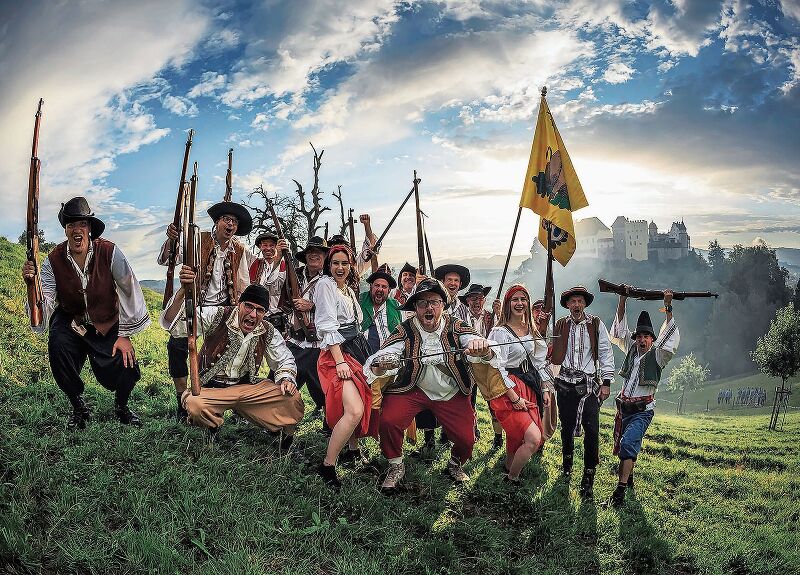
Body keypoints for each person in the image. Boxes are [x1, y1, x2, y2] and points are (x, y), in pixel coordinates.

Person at [22, 197, 151, 429]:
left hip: (107, 319)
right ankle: (78, 407)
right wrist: (32, 284)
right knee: (58, 348)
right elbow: (46, 301)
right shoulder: (53, 260)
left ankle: (122, 406)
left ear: (89, 228)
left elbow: (129, 288)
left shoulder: (110, 252)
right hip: (72, 319)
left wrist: (124, 334)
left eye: (81, 224)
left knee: (127, 362)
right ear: (66, 230)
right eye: (71, 225)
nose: (76, 230)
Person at [364, 278, 499, 491]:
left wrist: (482, 347)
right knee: (389, 420)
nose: (429, 308)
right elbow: (386, 352)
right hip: (414, 388)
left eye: (434, 302)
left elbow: (480, 343)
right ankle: (395, 465)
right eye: (422, 303)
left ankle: (454, 464)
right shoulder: (406, 328)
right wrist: (384, 361)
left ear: (443, 305)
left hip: (451, 392)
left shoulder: (456, 326)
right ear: (415, 308)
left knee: (467, 439)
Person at [161, 272, 303, 442]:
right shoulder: (218, 315)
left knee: (291, 398)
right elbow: (176, 325)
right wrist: (183, 292)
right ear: (239, 304)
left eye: (259, 310)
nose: (252, 314)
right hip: (212, 389)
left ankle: (283, 439)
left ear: (265, 313)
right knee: (195, 405)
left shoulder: (268, 330)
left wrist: (286, 378)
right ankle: (212, 426)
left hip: (246, 388)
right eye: (248, 306)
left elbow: (284, 358)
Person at [157, 199, 254, 421]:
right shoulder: (198, 241)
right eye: (227, 219)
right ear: (218, 222)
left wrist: (241, 312)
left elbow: (243, 284)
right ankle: (182, 398)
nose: (231, 225)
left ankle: (228, 400)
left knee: (228, 352)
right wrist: (171, 240)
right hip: (195, 303)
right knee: (177, 345)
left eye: (235, 222)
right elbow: (167, 259)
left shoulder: (240, 250)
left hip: (224, 309)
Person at [608, 288, 679, 507]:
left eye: (646, 336)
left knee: (628, 443)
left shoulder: (658, 355)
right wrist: (622, 298)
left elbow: (670, 339)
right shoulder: (630, 350)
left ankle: (619, 492)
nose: (641, 340)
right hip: (624, 409)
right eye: (639, 336)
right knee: (625, 445)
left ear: (652, 339)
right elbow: (619, 332)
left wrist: (668, 307)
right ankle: (629, 480)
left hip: (642, 411)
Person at [315, 244, 374, 488]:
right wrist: (339, 361)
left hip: (356, 350)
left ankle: (352, 449)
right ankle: (327, 465)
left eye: (345, 263)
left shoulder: (348, 290)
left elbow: (355, 324)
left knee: (360, 398)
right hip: (336, 354)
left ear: (351, 266)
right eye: (335, 263)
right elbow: (328, 326)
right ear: (329, 265)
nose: (340, 268)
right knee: (354, 410)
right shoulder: (325, 286)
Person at [550, 285, 615, 500]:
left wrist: (606, 382)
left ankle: (588, 476)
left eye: (580, 301)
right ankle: (567, 464)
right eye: (572, 301)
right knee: (566, 427)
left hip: (588, 385)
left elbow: (605, 352)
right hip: (565, 384)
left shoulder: (596, 325)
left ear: (585, 304)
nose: (576, 305)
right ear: (567, 305)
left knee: (592, 431)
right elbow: (549, 350)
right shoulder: (560, 325)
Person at [487, 285, 550, 483]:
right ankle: (512, 478)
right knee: (533, 438)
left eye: (523, 299)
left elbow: (538, 361)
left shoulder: (531, 329)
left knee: (516, 437)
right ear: (507, 304)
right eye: (515, 299)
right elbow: (497, 368)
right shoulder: (499, 332)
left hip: (529, 384)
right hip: (509, 388)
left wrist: (545, 388)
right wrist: (514, 397)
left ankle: (508, 466)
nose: (520, 303)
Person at [285, 236, 329, 420]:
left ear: (325, 257)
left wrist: (312, 306)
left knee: (324, 391)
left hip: (318, 345)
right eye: (310, 251)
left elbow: (336, 309)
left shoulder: (330, 280)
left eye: (318, 252)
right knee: (281, 382)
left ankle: (330, 425)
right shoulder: (293, 274)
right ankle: (276, 422)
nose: (314, 255)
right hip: (294, 342)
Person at [531, 298, 558, 442]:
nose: (539, 312)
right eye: (536, 309)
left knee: (547, 405)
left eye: (543, 309)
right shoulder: (527, 327)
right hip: (529, 372)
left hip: (546, 372)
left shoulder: (553, 329)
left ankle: (542, 438)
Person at [360, 263, 403, 354]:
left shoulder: (397, 306)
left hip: (389, 360)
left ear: (389, 290)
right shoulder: (359, 301)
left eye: (384, 287)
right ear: (371, 286)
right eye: (377, 285)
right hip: (362, 358)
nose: (380, 289)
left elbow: (404, 332)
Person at [249, 231, 290, 313]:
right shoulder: (254, 264)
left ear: (276, 247)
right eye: (265, 245)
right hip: (258, 313)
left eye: (271, 245)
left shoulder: (285, 266)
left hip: (279, 314)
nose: (268, 248)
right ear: (260, 247)